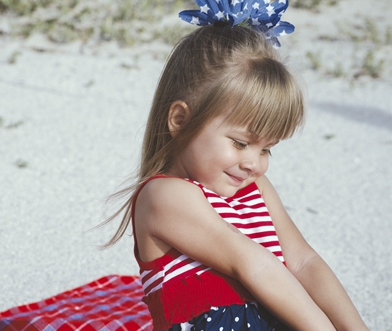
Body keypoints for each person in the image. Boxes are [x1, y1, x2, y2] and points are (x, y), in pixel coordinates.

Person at [101, 0, 370, 330]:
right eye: (241, 143)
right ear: (181, 120)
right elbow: (253, 265)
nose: (254, 163)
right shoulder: (163, 195)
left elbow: (303, 260)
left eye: (268, 149)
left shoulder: (254, 187)